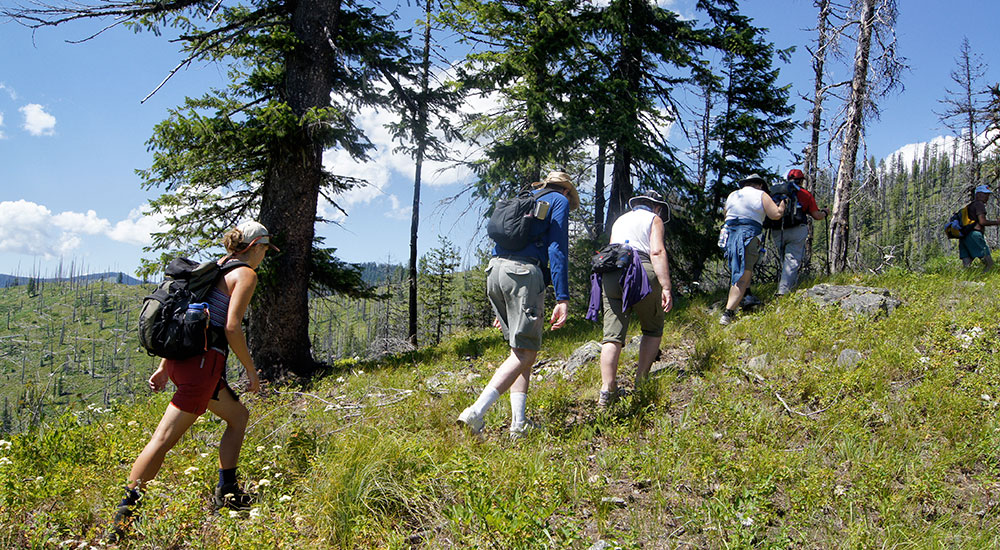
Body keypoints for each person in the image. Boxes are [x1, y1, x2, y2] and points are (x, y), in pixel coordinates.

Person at [111, 221, 275, 540]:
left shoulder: (213, 269)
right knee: (162, 441)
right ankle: (122, 521)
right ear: (255, 246)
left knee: (238, 417)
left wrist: (164, 367)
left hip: (182, 361)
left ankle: (227, 493)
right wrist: (251, 371)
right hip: (202, 366)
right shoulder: (245, 274)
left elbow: (187, 315)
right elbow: (231, 327)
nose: (265, 254)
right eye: (266, 249)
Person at [457, 171, 579, 439]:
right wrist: (562, 297)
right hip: (523, 275)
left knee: (522, 351)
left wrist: (503, 303)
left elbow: (501, 245)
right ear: (567, 191)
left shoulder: (523, 199)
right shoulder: (558, 200)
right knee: (524, 353)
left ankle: (519, 424)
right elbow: (557, 249)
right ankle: (475, 412)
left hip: (495, 272)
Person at [594, 190, 673, 407]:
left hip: (612, 271)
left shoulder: (620, 219)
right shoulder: (654, 219)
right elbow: (656, 251)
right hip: (641, 270)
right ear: (656, 207)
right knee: (652, 328)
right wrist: (666, 286)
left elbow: (611, 249)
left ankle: (607, 389)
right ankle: (641, 382)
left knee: (612, 335)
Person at [720, 174, 786, 326]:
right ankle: (728, 313)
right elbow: (775, 215)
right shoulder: (761, 195)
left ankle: (746, 296)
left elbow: (726, 214)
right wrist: (782, 205)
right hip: (748, 235)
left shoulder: (733, 195)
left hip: (730, 234)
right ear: (760, 185)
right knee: (743, 275)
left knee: (738, 268)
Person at [770, 169, 829, 296]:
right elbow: (816, 215)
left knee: (784, 260)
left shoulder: (777, 193)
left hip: (777, 230)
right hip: (796, 230)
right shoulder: (805, 194)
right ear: (801, 181)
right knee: (792, 260)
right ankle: (784, 292)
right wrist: (825, 212)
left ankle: (787, 286)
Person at [960, 185, 1000, 269]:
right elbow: (982, 221)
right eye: (985, 194)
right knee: (989, 264)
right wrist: (997, 222)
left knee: (967, 267)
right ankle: (986, 279)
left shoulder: (970, 206)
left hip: (964, 237)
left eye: (988, 195)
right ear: (978, 194)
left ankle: (966, 281)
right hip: (975, 236)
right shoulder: (979, 204)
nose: (987, 197)